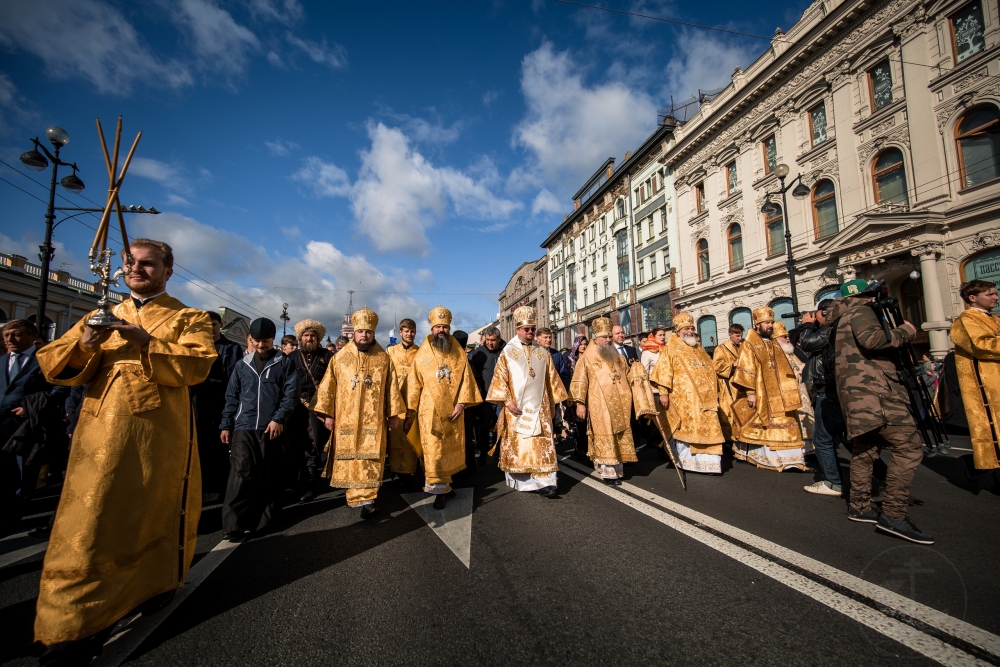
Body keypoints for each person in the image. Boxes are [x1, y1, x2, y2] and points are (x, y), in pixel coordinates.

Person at [33, 238, 216, 663]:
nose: (136, 270)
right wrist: (86, 342)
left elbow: (199, 364)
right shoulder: (104, 313)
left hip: (157, 437)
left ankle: (155, 585)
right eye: (130, 263)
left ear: (168, 271)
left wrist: (146, 341)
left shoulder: (189, 317)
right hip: (96, 436)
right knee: (86, 525)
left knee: (149, 512)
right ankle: (73, 623)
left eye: (148, 264)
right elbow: (54, 366)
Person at [826, 278, 932, 544]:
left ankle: (860, 506)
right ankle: (893, 515)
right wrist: (905, 331)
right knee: (908, 448)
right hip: (877, 393)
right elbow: (873, 340)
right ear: (869, 296)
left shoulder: (839, 318)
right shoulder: (861, 311)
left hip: (856, 396)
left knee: (866, 448)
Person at [314, 307, 405, 519]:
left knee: (370, 461)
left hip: (374, 421)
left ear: (373, 334)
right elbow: (328, 388)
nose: (364, 335)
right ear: (354, 333)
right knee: (351, 460)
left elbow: (391, 387)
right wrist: (328, 414)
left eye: (368, 332)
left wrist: (393, 414)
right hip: (346, 419)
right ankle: (355, 496)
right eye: (361, 331)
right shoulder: (339, 359)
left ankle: (369, 501)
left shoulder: (383, 359)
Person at [220, 317, 298, 541]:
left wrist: (278, 419)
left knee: (268, 474)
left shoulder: (284, 363)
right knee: (241, 473)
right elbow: (231, 397)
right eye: (256, 341)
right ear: (251, 340)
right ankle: (233, 524)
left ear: (272, 339)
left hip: (270, 427)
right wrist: (226, 424)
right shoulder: (242, 365)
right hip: (243, 426)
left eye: (265, 341)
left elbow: (289, 395)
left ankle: (264, 520)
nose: (260, 346)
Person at [485, 307, 568, 497]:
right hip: (517, 409)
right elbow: (499, 379)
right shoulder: (508, 352)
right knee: (523, 446)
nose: (530, 332)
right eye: (526, 329)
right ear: (518, 330)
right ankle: (525, 482)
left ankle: (547, 482)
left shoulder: (543, 353)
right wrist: (507, 402)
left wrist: (554, 404)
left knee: (541, 446)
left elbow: (551, 380)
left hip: (541, 408)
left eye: (532, 329)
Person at [406, 306, 482, 509]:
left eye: (445, 327)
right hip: (429, 411)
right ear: (432, 329)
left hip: (453, 411)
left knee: (449, 449)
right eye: (438, 327)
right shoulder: (422, 354)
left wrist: (461, 403)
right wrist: (409, 411)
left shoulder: (458, 352)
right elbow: (413, 383)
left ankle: (446, 484)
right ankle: (438, 490)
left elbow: (467, 380)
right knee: (434, 451)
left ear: (449, 328)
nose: (441, 330)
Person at [730, 306, 807, 472]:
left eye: (771, 322)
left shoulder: (774, 342)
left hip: (780, 393)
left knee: (786, 420)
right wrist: (750, 393)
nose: (770, 326)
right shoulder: (750, 344)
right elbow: (746, 368)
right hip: (761, 391)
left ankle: (791, 458)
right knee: (762, 423)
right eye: (767, 323)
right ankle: (770, 457)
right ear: (758, 324)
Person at [650, 313, 725, 474]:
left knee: (710, 429)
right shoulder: (671, 348)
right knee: (687, 430)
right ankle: (688, 462)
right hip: (684, 400)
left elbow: (710, 370)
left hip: (706, 400)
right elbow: (663, 373)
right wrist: (663, 393)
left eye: (692, 328)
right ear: (678, 331)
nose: (690, 331)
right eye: (687, 328)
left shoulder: (699, 349)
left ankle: (711, 464)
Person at [569, 317, 637, 484]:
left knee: (619, 435)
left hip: (621, 404)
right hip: (600, 404)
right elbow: (579, 381)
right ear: (596, 338)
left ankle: (618, 468)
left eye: (609, 337)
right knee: (605, 435)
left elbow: (628, 377)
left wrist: (638, 374)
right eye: (604, 337)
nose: (608, 340)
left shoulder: (618, 357)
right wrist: (580, 403)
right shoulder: (587, 357)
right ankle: (608, 472)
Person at [1, 319, 52, 531]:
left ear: (32, 337)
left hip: (25, 427)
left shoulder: (45, 360)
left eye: (16, 334)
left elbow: (59, 389)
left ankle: (10, 521)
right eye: (6, 335)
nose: (10, 339)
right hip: (1, 424)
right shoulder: (2, 360)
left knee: (22, 476)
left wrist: (32, 408)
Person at [190, 311, 242, 503]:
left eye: (213, 324)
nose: (210, 328)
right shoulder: (194, 347)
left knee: (219, 450)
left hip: (220, 405)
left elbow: (231, 380)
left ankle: (221, 492)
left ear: (220, 325)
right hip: (196, 407)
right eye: (205, 325)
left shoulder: (231, 348)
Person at [949, 279, 999, 470]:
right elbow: (982, 345)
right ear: (973, 298)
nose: (995, 297)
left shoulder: (993, 319)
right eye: (990, 294)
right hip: (987, 387)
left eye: (995, 293)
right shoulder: (966, 320)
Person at [797, 300, 846, 497]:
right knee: (851, 438)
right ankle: (880, 474)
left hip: (829, 389)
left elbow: (807, 342)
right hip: (837, 389)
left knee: (823, 438)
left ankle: (832, 482)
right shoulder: (841, 327)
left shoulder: (829, 330)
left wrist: (807, 325)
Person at [287, 319, 333, 496]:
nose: (309, 338)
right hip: (295, 406)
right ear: (300, 338)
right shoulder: (291, 357)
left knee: (313, 444)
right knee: (295, 443)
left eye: (312, 335)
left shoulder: (327, 356)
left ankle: (310, 484)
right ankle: (296, 480)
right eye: (306, 335)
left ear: (318, 338)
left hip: (317, 406)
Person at [387, 318, 422, 482]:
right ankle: (396, 471)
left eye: (412, 331)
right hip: (396, 400)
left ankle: (413, 472)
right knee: (396, 435)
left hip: (414, 400)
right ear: (400, 332)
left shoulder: (421, 351)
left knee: (412, 435)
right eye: (406, 331)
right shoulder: (391, 352)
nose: (410, 334)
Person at [773, 322, 815, 455]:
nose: (787, 338)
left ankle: (809, 447)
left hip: (801, 390)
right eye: (784, 337)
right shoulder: (775, 354)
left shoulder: (791, 352)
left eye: (787, 336)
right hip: (788, 392)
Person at [468, 325, 504, 465]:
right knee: (484, 428)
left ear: (499, 339)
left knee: (500, 427)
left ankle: (498, 453)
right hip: (485, 398)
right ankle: (483, 453)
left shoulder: (505, 350)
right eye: (487, 340)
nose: (490, 343)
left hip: (501, 397)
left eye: (493, 340)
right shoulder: (479, 353)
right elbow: (474, 376)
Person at [536, 326, 570, 444]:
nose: (548, 340)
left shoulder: (557, 355)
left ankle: (552, 437)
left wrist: (564, 392)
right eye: (545, 337)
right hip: (537, 394)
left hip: (553, 393)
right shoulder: (533, 353)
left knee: (552, 416)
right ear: (537, 339)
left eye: (550, 337)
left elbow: (563, 374)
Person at [712, 323, 743, 444]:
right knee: (731, 412)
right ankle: (731, 438)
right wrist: (732, 365)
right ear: (730, 335)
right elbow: (716, 366)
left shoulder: (743, 346)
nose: (740, 338)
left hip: (743, 384)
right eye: (737, 335)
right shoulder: (721, 348)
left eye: (741, 335)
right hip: (729, 384)